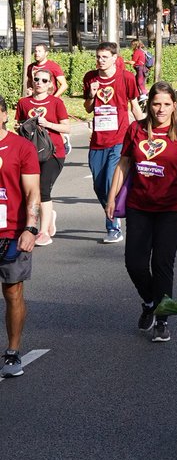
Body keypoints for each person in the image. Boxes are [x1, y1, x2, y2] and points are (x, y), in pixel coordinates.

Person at [107, 82, 177, 342]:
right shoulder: (135, 129)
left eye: (167, 104)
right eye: (156, 104)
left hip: (172, 208)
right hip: (140, 205)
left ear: (175, 106)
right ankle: (150, 301)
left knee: (162, 263)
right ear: (149, 104)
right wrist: (111, 197)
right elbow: (124, 163)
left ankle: (162, 318)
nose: (161, 109)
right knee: (134, 263)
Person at [0, 95, 47, 377]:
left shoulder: (21, 148)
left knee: (12, 292)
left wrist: (30, 228)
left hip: (12, 232)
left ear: (4, 115)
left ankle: (12, 351)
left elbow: (33, 192)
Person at [83, 41, 145, 244]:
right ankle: (114, 209)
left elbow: (134, 106)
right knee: (98, 185)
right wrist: (92, 95)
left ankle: (113, 225)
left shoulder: (126, 77)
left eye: (105, 57)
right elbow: (88, 108)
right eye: (98, 57)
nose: (100, 61)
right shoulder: (90, 78)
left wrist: (146, 129)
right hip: (98, 140)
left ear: (115, 59)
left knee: (111, 180)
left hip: (120, 138)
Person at [17, 71, 70, 245]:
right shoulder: (23, 102)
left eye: (44, 80)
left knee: (43, 189)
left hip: (53, 153)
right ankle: (46, 216)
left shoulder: (56, 102)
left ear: (50, 84)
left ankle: (43, 231)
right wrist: (22, 126)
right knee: (29, 191)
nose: (39, 82)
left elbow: (67, 128)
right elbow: (18, 125)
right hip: (30, 153)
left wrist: (47, 124)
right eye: (36, 79)